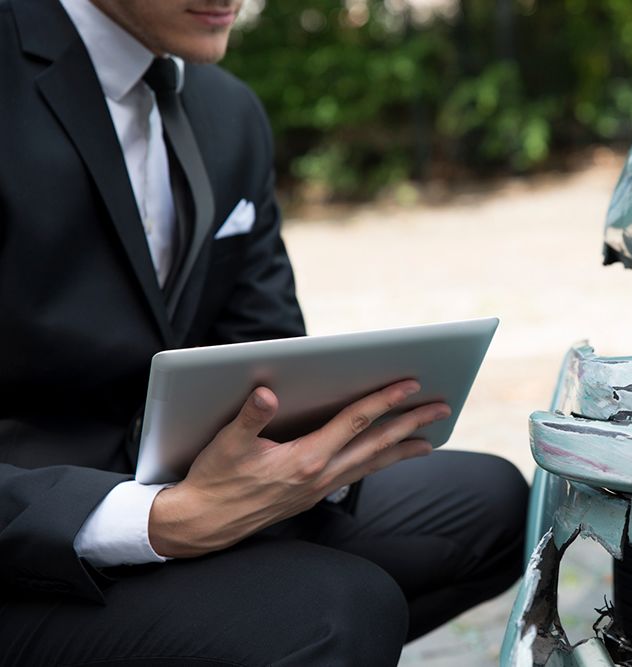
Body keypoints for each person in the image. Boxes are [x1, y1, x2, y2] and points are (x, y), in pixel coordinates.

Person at [0, 0, 528, 664]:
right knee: (334, 611)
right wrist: (157, 522)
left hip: (168, 476)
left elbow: (265, 344)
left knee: (491, 504)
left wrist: (316, 455)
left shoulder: (228, 111)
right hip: (26, 537)